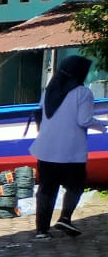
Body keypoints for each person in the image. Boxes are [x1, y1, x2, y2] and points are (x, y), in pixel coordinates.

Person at [31, 55, 108, 240]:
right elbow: (84, 120)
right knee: (75, 185)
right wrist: (102, 125)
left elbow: (40, 115)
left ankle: (41, 230)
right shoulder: (83, 93)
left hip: (45, 149)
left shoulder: (49, 91)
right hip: (70, 151)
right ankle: (65, 218)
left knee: (46, 190)